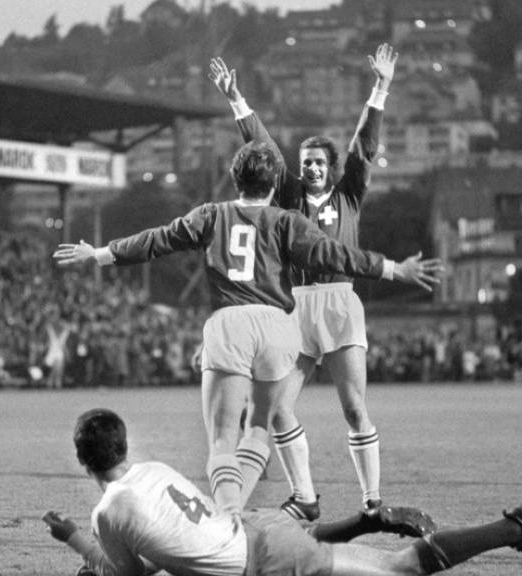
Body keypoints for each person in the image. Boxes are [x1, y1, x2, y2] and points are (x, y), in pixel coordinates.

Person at [53, 140, 441, 518]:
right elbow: (336, 254)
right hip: (278, 329)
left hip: (230, 322)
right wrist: (392, 268)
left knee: (223, 438)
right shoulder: (288, 220)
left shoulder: (211, 214)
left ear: (235, 180)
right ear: (274, 187)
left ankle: (228, 517)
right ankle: (275, 504)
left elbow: (159, 240)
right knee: (260, 426)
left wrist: (101, 254)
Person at [209, 44, 401, 521]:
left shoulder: (350, 193)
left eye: (319, 162)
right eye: (306, 161)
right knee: (275, 410)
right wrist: (237, 99)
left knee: (354, 407)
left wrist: (381, 87)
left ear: (331, 168)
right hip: (294, 309)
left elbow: (364, 142)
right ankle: (306, 497)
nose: (312, 167)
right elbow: (264, 144)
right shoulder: (290, 195)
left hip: (338, 304)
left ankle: (373, 501)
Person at [42, 407, 522, 576]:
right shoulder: (153, 469)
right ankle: (368, 521)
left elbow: (130, 573)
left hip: (261, 557)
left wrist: (75, 540)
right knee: (315, 541)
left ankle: (515, 528)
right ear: (124, 444)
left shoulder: (109, 511)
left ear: (82, 461)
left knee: (399, 568)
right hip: (253, 527)